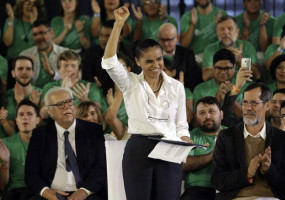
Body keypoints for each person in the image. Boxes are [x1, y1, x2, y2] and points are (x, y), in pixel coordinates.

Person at [101, 6, 190, 199]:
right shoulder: (130, 82)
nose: (156, 65)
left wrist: (185, 140)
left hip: (169, 148)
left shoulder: (176, 87)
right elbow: (109, 61)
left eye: (159, 59)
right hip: (139, 149)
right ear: (138, 61)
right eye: (149, 61)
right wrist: (118, 24)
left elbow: (181, 125)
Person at [212, 82, 285, 199]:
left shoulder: (281, 138)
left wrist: (269, 170)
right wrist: (247, 173)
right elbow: (217, 180)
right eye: (245, 102)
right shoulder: (226, 136)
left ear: (267, 105)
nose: (248, 108)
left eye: (254, 103)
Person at [25, 87, 107, 199]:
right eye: (60, 104)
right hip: (52, 193)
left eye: (69, 101)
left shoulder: (93, 130)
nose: (67, 106)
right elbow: (31, 173)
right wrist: (47, 192)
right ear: (50, 111)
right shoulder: (40, 134)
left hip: (86, 193)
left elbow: (101, 168)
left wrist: (84, 191)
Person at [181, 96, 226, 200]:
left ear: (221, 114)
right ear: (196, 117)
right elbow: (184, 164)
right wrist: (213, 154)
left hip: (226, 188)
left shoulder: (231, 135)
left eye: (212, 111)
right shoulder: (189, 136)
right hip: (197, 190)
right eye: (202, 113)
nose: (207, 116)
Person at [39, 50, 107, 119]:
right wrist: (62, 91)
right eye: (65, 65)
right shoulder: (49, 87)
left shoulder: (90, 87)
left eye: (73, 66)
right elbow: (43, 115)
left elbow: (100, 115)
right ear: (58, 69)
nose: (69, 69)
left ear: (79, 70)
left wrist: (86, 101)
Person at [193, 48, 252, 121]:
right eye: (219, 68)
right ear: (213, 67)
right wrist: (217, 101)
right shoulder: (200, 89)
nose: (223, 72)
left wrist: (231, 95)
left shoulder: (246, 88)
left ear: (234, 67)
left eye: (227, 68)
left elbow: (247, 118)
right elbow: (196, 122)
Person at [0, 99, 40, 200]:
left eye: (29, 114)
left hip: (39, 191)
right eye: (21, 115)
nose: (24, 117)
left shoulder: (47, 143)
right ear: (16, 120)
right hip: (14, 192)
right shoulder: (5, 144)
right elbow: (1, 186)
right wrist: (5, 162)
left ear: (37, 120)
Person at [202, 15, 260, 82]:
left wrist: (241, 61)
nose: (226, 32)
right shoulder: (210, 49)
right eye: (222, 29)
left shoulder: (247, 46)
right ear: (217, 32)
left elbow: (257, 75)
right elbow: (205, 76)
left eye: (230, 28)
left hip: (244, 86)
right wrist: (225, 63)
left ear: (237, 32)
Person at [82, 20, 129, 95]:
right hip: (98, 94)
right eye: (101, 35)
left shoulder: (129, 54)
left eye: (107, 36)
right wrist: (95, 87)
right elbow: (87, 79)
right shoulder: (91, 53)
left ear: (119, 38)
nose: (102, 39)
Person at [20, 19, 69, 88]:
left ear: (52, 33)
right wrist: (27, 69)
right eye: (35, 34)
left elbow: (69, 79)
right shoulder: (25, 54)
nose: (38, 37)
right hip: (33, 93)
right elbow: (20, 82)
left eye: (42, 33)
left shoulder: (65, 53)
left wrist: (52, 73)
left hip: (58, 93)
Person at [4, 56, 42, 136]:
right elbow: (11, 132)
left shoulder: (42, 94)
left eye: (28, 69)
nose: (24, 72)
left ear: (32, 73)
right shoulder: (5, 97)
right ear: (13, 73)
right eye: (20, 69)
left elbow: (45, 126)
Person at [179, 0, 226, 64]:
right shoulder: (187, 16)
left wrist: (220, 27)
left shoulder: (222, 14)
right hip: (195, 60)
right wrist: (193, 25)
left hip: (217, 58)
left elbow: (228, 43)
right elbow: (183, 45)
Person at [158, 23, 202, 91]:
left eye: (169, 40)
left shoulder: (187, 54)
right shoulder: (154, 55)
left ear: (177, 38)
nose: (166, 43)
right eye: (163, 40)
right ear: (158, 38)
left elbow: (194, 78)